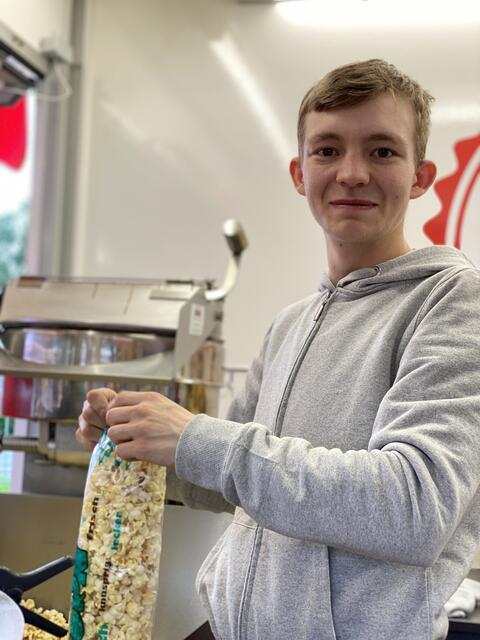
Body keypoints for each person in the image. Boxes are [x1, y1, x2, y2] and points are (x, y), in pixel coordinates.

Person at [77, 59, 480, 640]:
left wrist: (196, 438)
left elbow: (414, 508)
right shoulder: (290, 324)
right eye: (327, 150)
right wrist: (140, 439)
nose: (352, 173)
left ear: (421, 177)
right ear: (299, 172)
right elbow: (222, 479)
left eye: (382, 151)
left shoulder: (453, 301)